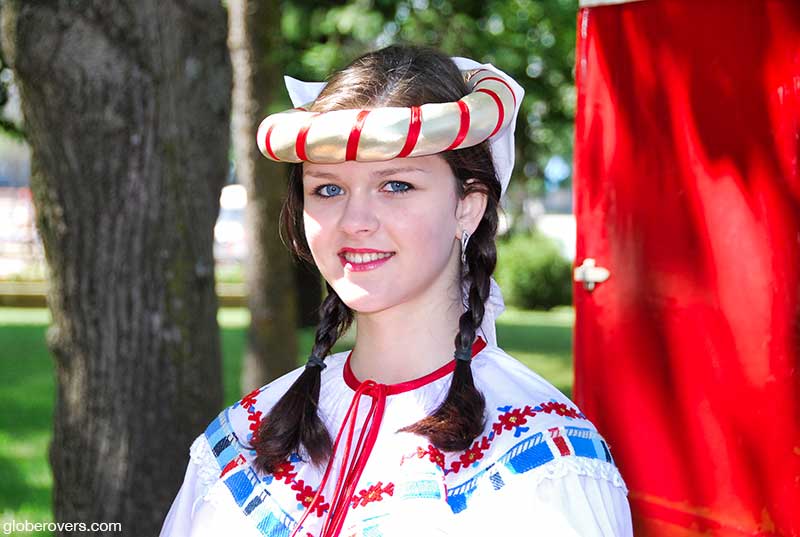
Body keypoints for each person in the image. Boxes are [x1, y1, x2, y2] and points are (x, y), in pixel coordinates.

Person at [159, 44, 633, 537]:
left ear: (468, 206)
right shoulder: (241, 437)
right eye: (328, 189)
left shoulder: (542, 461)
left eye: (396, 185)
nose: (355, 222)